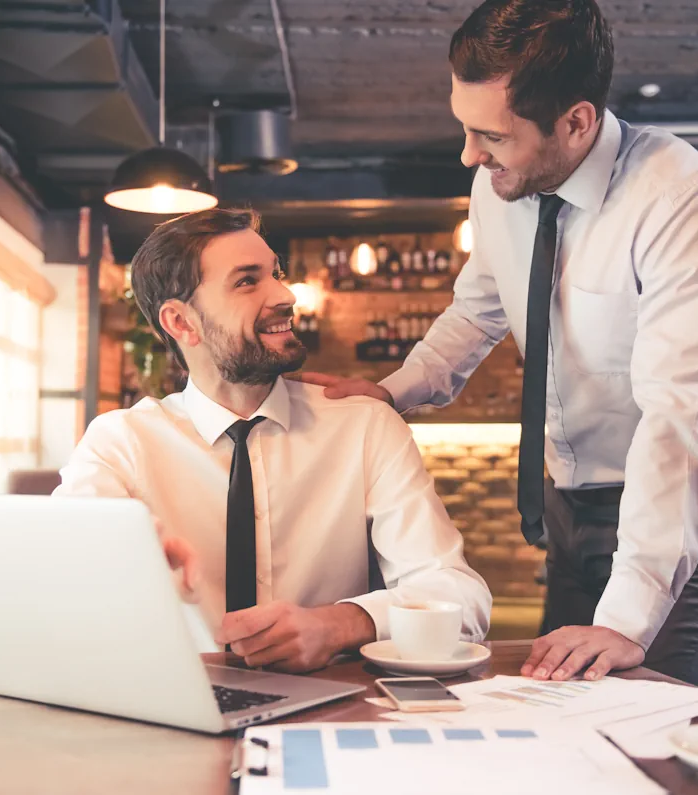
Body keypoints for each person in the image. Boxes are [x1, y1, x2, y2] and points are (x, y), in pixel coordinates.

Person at [302, 0, 698, 686]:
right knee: (558, 708)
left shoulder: (678, 196)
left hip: (670, 518)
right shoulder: (496, 186)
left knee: (636, 724)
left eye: (491, 136)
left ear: (577, 122)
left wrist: (626, 618)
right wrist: (393, 390)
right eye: (464, 128)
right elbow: (477, 310)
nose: (469, 155)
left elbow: (677, 417)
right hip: (570, 510)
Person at [54, 207, 491, 673]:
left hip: (330, 708)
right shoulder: (121, 442)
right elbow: (59, 571)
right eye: (247, 281)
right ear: (181, 323)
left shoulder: (364, 426)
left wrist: (340, 624)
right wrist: (111, 550)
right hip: (174, 704)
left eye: (276, 274)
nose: (284, 295)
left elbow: (461, 599)